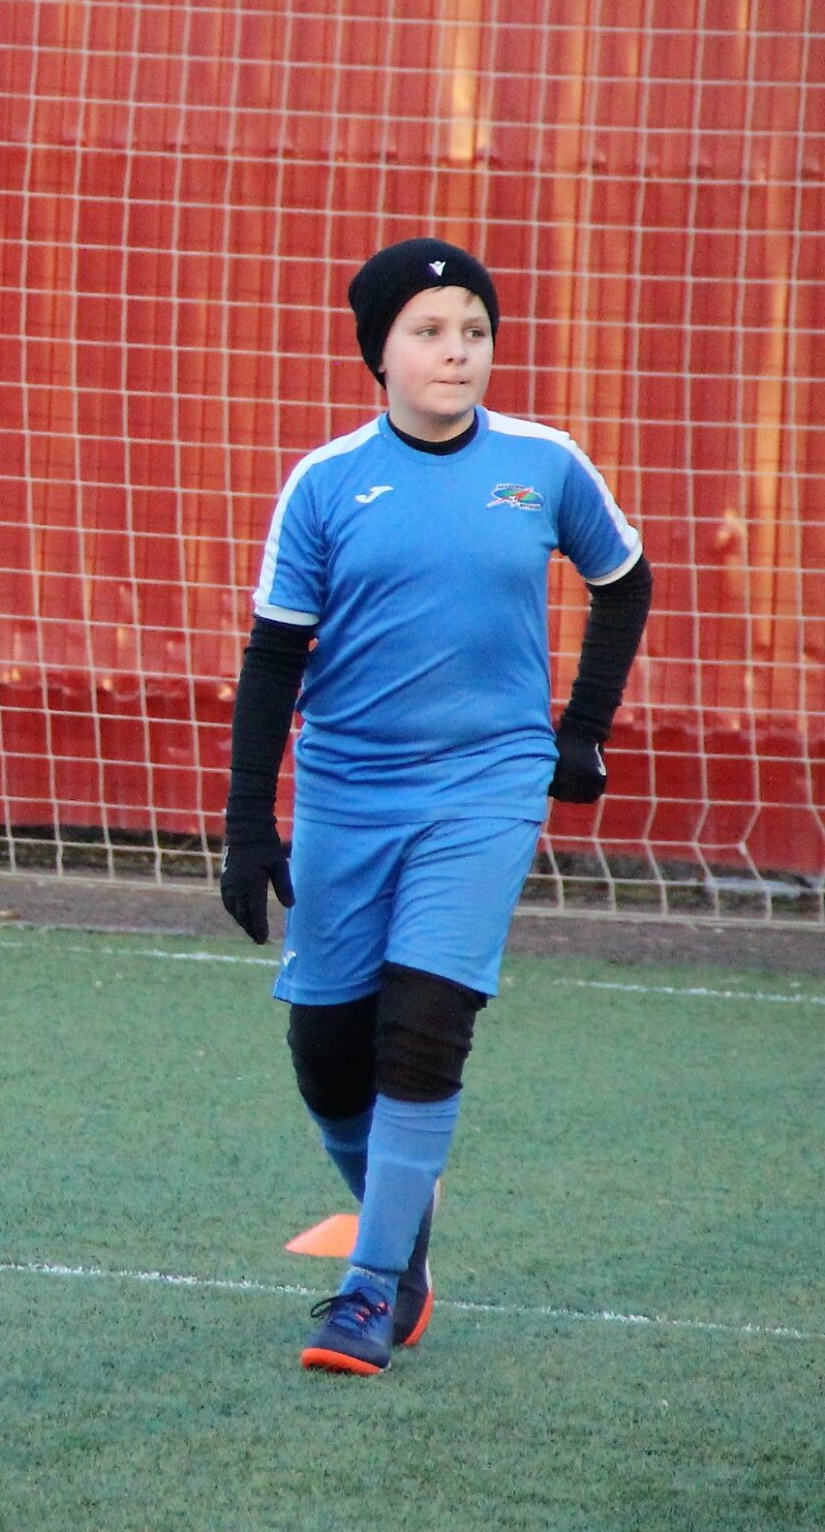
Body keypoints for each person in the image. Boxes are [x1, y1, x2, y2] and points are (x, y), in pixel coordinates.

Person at [220, 238, 651, 1375]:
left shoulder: (543, 463)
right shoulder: (325, 483)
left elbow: (624, 580)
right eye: (428, 331)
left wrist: (581, 729)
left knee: (423, 1020)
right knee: (327, 1048)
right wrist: (247, 823)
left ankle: (369, 1292)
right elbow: (273, 658)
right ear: (379, 352)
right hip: (348, 789)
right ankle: (401, 1231)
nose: (455, 351)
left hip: (487, 785)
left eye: (474, 330)